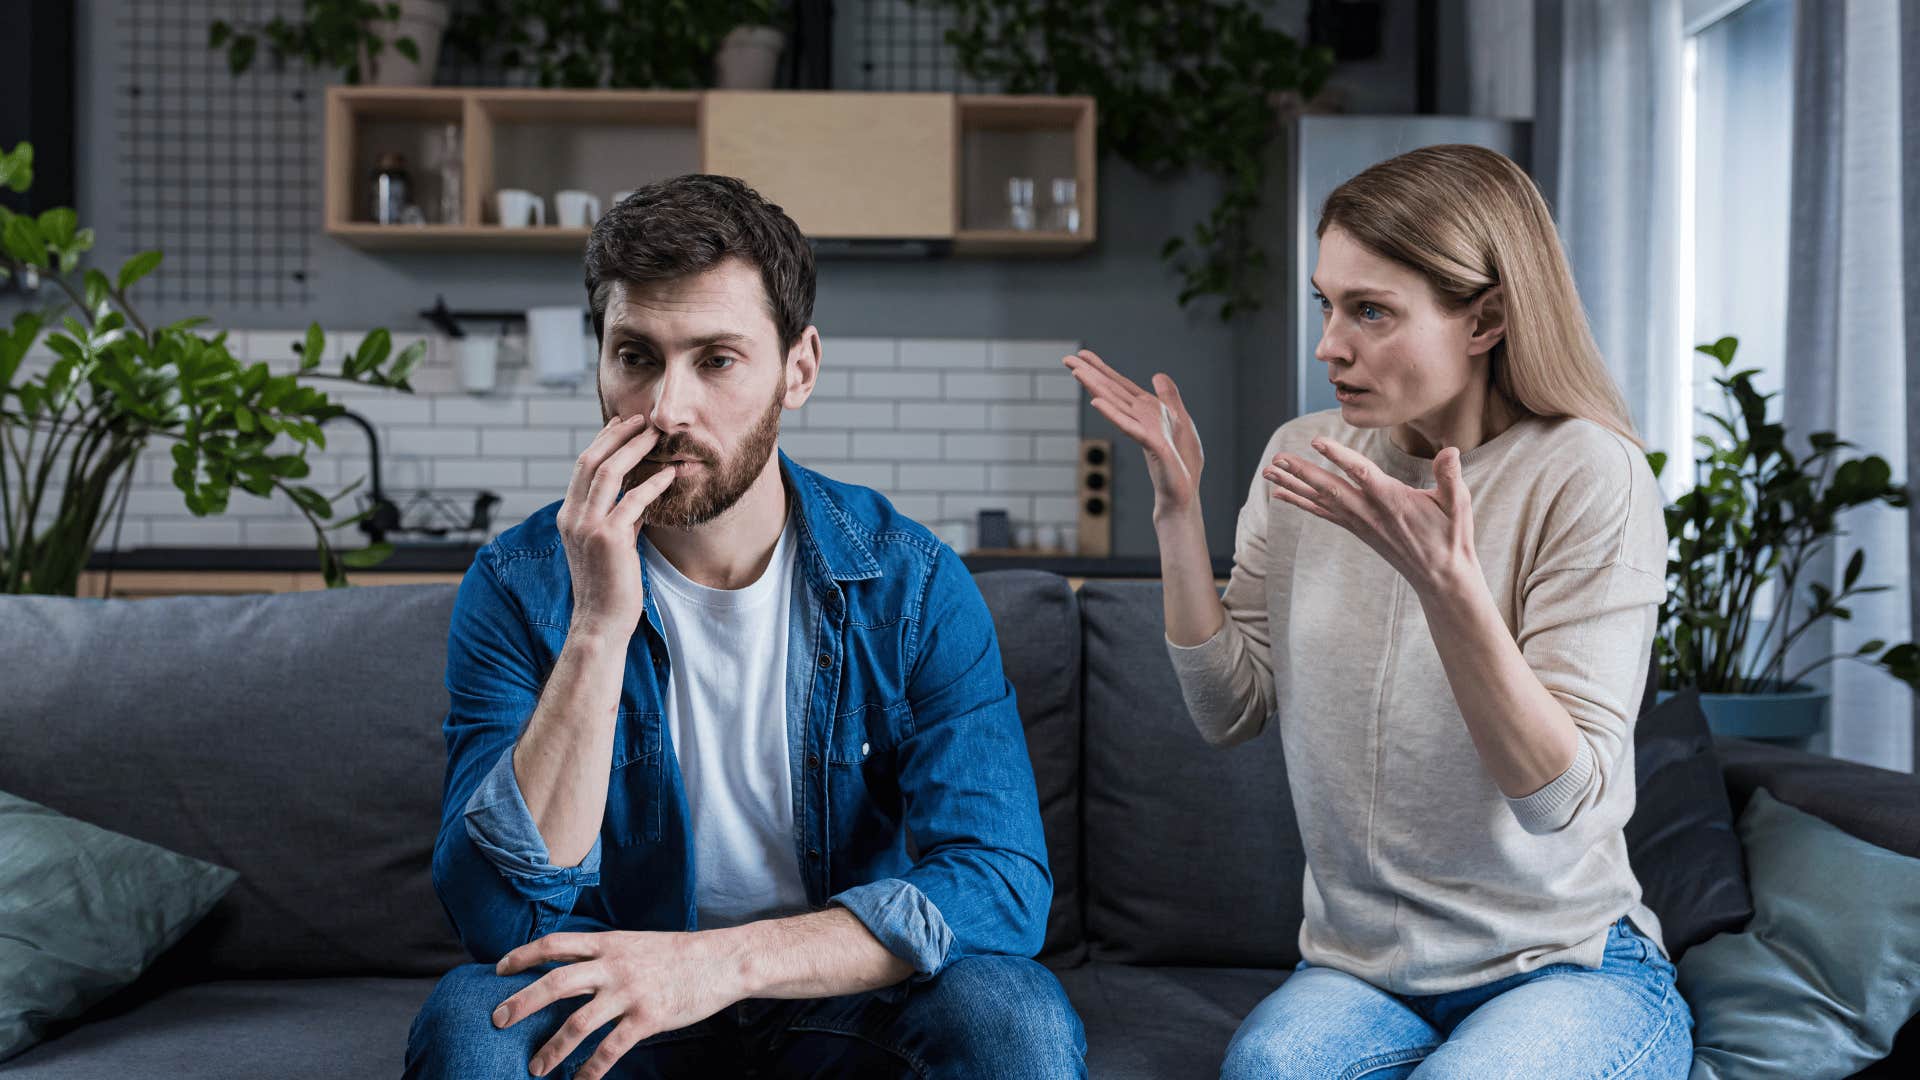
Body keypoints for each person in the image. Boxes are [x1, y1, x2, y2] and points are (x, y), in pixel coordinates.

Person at [407, 174, 1083, 1080]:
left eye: (716, 360)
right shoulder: (520, 585)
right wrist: (600, 629)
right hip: (617, 997)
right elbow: (497, 917)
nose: (666, 410)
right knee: (471, 1032)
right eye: (636, 357)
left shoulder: (911, 583)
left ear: (797, 369)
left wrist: (720, 964)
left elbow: (1000, 884)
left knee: (1011, 1018)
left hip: (833, 997)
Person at [1064, 144, 1692, 1079]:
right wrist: (1178, 510)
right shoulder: (1305, 454)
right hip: (1365, 972)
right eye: (1328, 303)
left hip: (1565, 965)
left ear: (1485, 319)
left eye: (1371, 312)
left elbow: (1562, 801)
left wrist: (1450, 589)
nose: (1328, 345)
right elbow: (1228, 707)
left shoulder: (1588, 472)